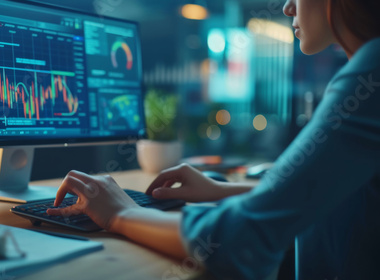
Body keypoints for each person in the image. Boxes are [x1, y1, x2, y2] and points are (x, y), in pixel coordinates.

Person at [47, 0, 380, 278]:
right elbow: (336, 191)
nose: (287, 6)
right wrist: (222, 190)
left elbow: (242, 237)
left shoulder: (370, 73)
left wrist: (119, 215)